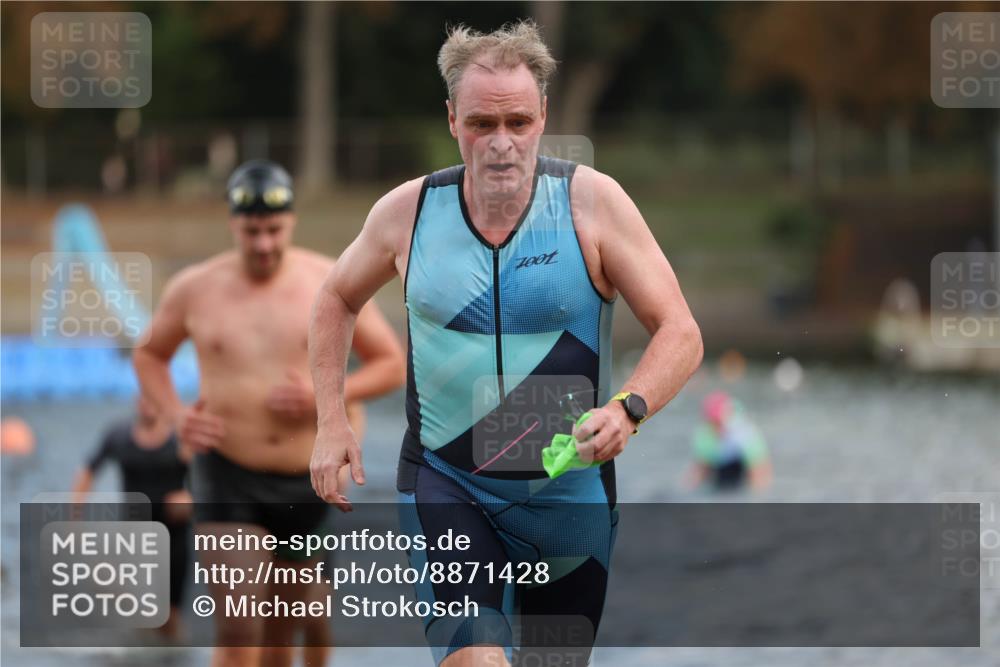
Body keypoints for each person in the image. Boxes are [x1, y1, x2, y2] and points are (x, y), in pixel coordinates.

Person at [308, 21, 702, 667]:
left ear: (543, 116)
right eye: (482, 124)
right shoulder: (409, 212)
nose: (501, 143)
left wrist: (629, 407)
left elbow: (680, 331)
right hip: (445, 482)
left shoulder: (594, 205)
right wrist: (331, 421)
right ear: (451, 120)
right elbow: (333, 299)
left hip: (568, 490)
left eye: (518, 122)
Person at [133, 159, 406, 667]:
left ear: (292, 222)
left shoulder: (328, 280)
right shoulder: (195, 287)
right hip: (225, 471)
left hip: (307, 480)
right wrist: (174, 415)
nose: (263, 244)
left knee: (285, 630)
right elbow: (149, 354)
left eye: (273, 230)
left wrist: (324, 394)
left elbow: (391, 365)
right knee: (239, 625)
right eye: (251, 230)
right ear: (233, 223)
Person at [71, 394, 191, 639]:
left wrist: (191, 497)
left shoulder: (180, 439)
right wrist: (75, 518)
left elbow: (208, 474)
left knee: (169, 615)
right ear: (137, 403)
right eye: (144, 400)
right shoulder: (119, 436)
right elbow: (88, 470)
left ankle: (171, 654)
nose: (148, 407)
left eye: (153, 400)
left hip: (174, 534)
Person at [687, 391, 771, 491]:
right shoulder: (705, 434)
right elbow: (700, 470)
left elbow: (759, 471)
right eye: (712, 422)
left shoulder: (743, 433)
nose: (716, 426)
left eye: (717, 422)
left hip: (741, 467)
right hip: (720, 469)